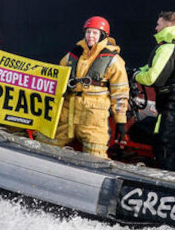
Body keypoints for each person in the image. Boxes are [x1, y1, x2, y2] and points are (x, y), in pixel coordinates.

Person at [36, 16, 129, 158]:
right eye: (88, 32)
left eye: (95, 33)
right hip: (67, 113)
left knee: (95, 155)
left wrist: (121, 121)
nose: (90, 36)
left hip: (93, 118)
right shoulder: (72, 56)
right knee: (44, 145)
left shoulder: (114, 61)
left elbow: (120, 92)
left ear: (103, 35)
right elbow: (56, 78)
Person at [133, 11, 175, 171]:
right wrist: (137, 71)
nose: (156, 27)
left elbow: (153, 78)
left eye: (158, 24)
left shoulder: (167, 48)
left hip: (173, 101)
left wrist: (134, 75)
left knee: (165, 145)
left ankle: (166, 181)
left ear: (168, 26)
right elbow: (149, 69)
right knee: (168, 139)